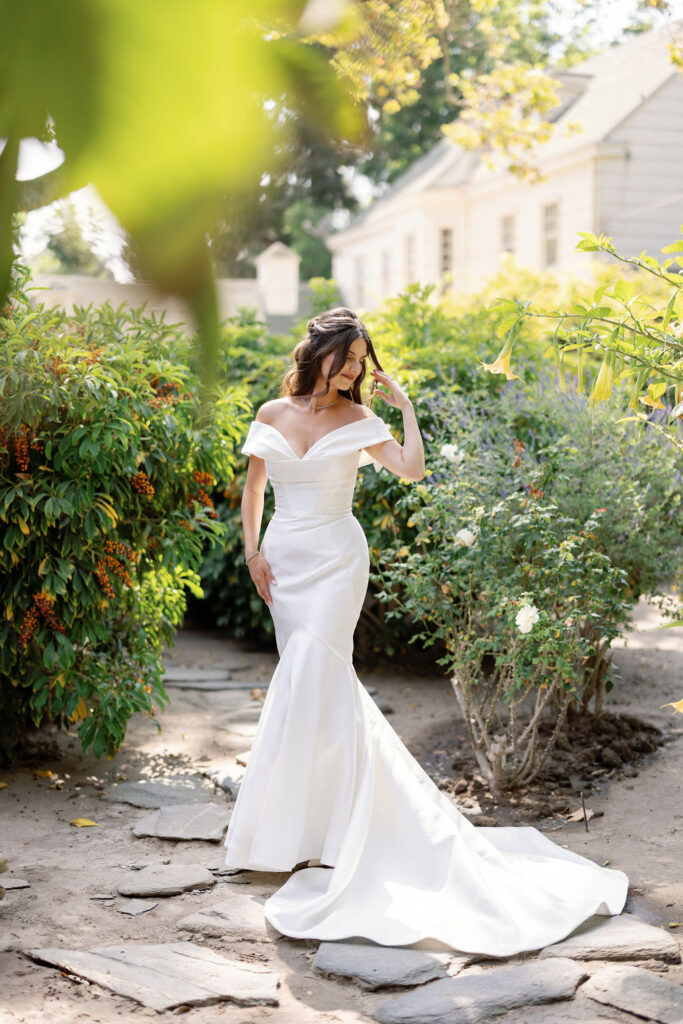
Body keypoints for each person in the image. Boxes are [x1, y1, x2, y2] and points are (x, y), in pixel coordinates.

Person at [223, 307, 628, 956]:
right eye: (346, 357)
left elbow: (411, 469)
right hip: (284, 559)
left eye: (362, 361)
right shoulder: (272, 413)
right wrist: (251, 551)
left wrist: (405, 408)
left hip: (335, 559)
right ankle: (300, 833)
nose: (355, 369)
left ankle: (346, 830)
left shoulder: (360, 419)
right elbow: (253, 488)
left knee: (316, 669)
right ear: (318, 352)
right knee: (307, 689)